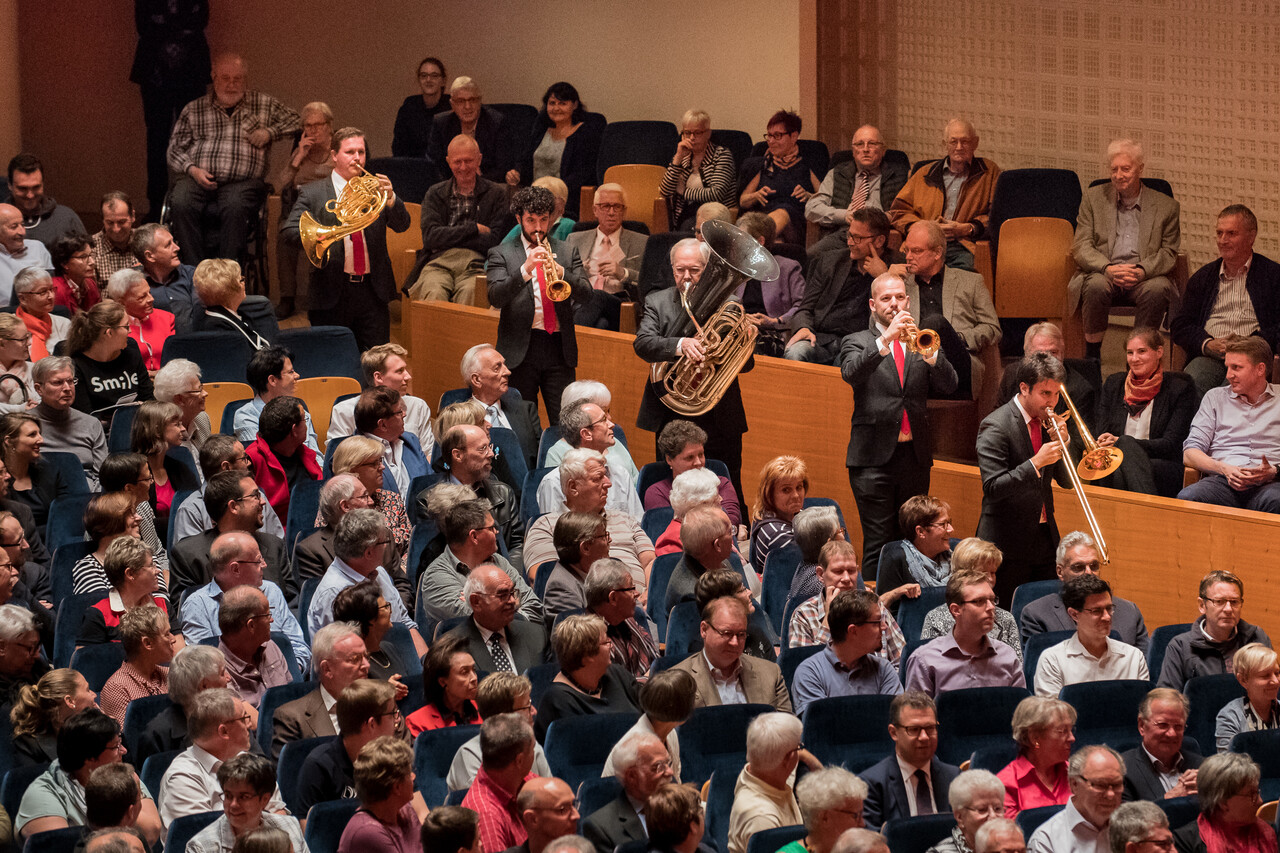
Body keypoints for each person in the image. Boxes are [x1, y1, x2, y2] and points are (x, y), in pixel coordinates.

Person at [636, 237, 751, 503]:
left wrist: (741, 343)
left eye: (694, 270)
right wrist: (681, 344)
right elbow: (643, 344)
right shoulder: (657, 301)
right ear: (672, 269)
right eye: (680, 270)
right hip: (671, 412)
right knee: (674, 486)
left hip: (720, 413)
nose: (686, 276)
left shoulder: (729, 305)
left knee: (728, 483)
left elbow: (747, 365)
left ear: (707, 269)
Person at [281, 127, 410, 351]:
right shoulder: (313, 192)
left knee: (377, 361)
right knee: (333, 358)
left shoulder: (376, 191)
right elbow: (288, 232)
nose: (357, 158)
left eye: (361, 152)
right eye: (350, 152)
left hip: (373, 292)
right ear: (334, 156)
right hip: (331, 291)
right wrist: (322, 235)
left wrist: (392, 199)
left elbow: (402, 225)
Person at [166, 53, 301, 265]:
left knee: (234, 206)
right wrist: (192, 169)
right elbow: (174, 149)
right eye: (225, 78)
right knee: (180, 201)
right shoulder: (194, 109)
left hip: (243, 182)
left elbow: (298, 121)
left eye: (237, 79)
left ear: (245, 80)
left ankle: (226, 272)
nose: (231, 85)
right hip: (197, 177)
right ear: (214, 77)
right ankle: (195, 270)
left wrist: (269, 132)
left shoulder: (263, 104)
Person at [1069, 139, 1182, 362]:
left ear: (1140, 169)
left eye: (1126, 169)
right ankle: (1093, 356)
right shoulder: (1093, 198)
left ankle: (1139, 356)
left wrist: (1141, 270)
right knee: (1095, 286)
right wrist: (1107, 268)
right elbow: (1081, 245)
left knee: (1158, 288)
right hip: (1104, 273)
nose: (1119, 175)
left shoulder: (1166, 206)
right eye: (1114, 169)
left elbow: (1169, 252)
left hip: (1144, 276)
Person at [487, 185, 590, 425]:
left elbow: (587, 295)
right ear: (519, 219)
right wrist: (525, 269)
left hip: (559, 349)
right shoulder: (501, 253)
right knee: (523, 423)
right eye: (531, 220)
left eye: (544, 220)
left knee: (565, 421)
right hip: (520, 350)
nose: (538, 228)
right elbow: (495, 297)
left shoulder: (567, 250)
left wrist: (563, 273)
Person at [976, 352, 1072, 605]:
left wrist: (1064, 444)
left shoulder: (1048, 423)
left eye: (1056, 394)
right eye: (1045, 393)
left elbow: (1067, 482)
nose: (1052, 402)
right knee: (1008, 612)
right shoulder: (995, 425)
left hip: (1044, 537)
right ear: (1024, 388)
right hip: (1006, 541)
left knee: (1047, 609)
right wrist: (1035, 463)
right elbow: (993, 487)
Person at [1170, 204, 1280, 397]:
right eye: (1219, 233)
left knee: (1231, 394)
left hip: (1251, 357)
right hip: (1211, 354)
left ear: (1251, 237)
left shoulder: (1273, 276)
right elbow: (1180, 325)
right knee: (1191, 388)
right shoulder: (1203, 277)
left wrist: (1253, 342)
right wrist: (1206, 343)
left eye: (1231, 234)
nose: (1223, 240)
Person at [14, 708, 162, 843]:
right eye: (116, 746)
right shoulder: (42, 795)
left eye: (121, 742)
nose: (124, 751)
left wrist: (123, 793)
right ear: (90, 757)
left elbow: (151, 833)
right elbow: (60, 846)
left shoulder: (121, 775)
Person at [523, 450, 655, 600]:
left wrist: (648, 596)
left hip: (643, 602)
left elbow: (651, 562)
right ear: (573, 487)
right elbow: (543, 578)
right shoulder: (546, 526)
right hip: (589, 606)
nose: (608, 483)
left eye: (606, 476)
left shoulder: (625, 519)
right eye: (598, 478)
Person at [406, 135, 512, 305]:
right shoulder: (435, 193)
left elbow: (494, 241)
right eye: (457, 162)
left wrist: (448, 236)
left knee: (470, 292)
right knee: (434, 291)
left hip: (477, 264)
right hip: (438, 263)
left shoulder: (496, 194)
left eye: (468, 161)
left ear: (479, 160)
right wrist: (473, 229)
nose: (463, 167)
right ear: (448, 162)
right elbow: (431, 238)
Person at [1178, 336, 1280, 511]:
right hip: (1222, 482)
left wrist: (1274, 471)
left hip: (1271, 484)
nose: (1228, 375)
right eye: (1228, 367)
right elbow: (1190, 453)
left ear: (1260, 369)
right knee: (1189, 497)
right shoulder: (1215, 398)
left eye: (1236, 368)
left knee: (1276, 501)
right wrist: (1223, 468)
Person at [902, 220, 1001, 399]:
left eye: (916, 251)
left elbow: (992, 328)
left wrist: (960, 338)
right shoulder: (900, 285)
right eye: (906, 250)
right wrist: (886, 278)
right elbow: (878, 324)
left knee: (935, 322)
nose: (908, 257)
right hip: (917, 367)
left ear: (937, 253)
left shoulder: (971, 282)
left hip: (957, 365)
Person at [1093, 328, 1198, 497]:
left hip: (1163, 463)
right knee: (1115, 468)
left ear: (1159, 352)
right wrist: (1109, 442)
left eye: (1141, 351)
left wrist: (1126, 444)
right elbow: (1102, 431)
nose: (1134, 359)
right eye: (1130, 353)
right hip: (1115, 460)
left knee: (1123, 450)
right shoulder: (1114, 384)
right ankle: (1146, 511)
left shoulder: (1179, 388)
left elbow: (1171, 444)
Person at [307, 508, 426, 655]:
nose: (386, 546)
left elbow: (405, 624)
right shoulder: (332, 593)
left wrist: (424, 663)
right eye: (384, 542)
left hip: (396, 658)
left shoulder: (379, 572)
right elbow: (342, 656)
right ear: (368, 552)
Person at [159, 688, 285, 826]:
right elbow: (204, 835)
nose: (250, 725)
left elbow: (280, 814)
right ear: (224, 731)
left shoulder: (250, 761)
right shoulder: (183, 778)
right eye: (244, 719)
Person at [888, 118, 1000, 272]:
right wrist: (924, 229)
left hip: (963, 245)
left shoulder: (989, 172)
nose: (959, 147)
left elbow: (997, 216)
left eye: (965, 141)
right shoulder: (924, 174)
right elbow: (898, 211)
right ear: (944, 144)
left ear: (975, 143)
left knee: (961, 277)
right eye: (953, 142)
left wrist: (968, 228)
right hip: (923, 245)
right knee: (895, 271)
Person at [787, 208, 895, 365]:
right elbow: (805, 308)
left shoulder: (895, 269)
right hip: (820, 338)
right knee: (795, 352)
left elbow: (896, 318)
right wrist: (803, 328)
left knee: (848, 365)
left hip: (859, 345)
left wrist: (882, 277)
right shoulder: (830, 262)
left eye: (857, 238)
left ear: (879, 241)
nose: (850, 242)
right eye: (849, 235)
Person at [169, 471, 293, 604]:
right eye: (256, 496)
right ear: (233, 506)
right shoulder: (188, 556)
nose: (263, 502)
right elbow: (187, 610)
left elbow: (293, 602)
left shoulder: (274, 546)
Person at [1018, 532, 1150, 653]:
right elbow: (1039, 667)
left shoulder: (1129, 612)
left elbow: (1146, 666)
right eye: (1079, 567)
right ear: (1060, 572)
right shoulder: (1037, 615)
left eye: (1094, 566)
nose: (1088, 573)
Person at [418, 494, 540, 625]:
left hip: (515, 637)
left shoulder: (498, 561)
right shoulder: (437, 577)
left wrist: (486, 604)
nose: (497, 532)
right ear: (474, 536)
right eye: (491, 528)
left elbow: (535, 607)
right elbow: (479, 621)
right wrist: (515, 604)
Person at [905, 571, 1024, 697]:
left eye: (992, 600)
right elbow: (917, 710)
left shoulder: (1007, 656)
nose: (991, 607)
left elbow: (1021, 708)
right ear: (956, 610)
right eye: (979, 601)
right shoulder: (924, 660)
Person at [788, 540, 908, 664]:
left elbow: (901, 662)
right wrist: (829, 618)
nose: (846, 578)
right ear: (820, 574)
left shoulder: (875, 607)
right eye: (838, 571)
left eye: (851, 571)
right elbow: (808, 670)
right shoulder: (803, 615)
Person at [296, 679, 400, 817]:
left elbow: (419, 811)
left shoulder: (394, 758)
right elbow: (310, 827)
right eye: (393, 714)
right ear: (372, 724)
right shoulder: (319, 767)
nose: (397, 720)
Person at [1033, 574, 1149, 697]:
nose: (1107, 617)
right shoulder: (1053, 660)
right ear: (1074, 614)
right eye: (1096, 611)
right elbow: (1051, 708)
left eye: (1109, 608)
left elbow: (1144, 706)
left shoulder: (1133, 657)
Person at [671, 595, 792, 712]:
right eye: (727, 633)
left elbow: (787, 724)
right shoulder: (676, 683)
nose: (735, 642)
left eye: (741, 634)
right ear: (704, 630)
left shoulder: (771, 674)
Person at [792, 589, 903, 716]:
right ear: (853, 631)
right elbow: (820, 724)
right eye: (877, 622)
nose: (884, 627)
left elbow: (895, 721)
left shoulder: (884, 669)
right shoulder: (810, 673)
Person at [1157, 570, 1271, 690]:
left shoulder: (1256, 638)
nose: (1228, 609)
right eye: (1219, 602)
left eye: (1234, 602)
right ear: (1202, 605)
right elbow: (1167, 697)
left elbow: (1272, 686)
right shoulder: (1180, 647)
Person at [861, 692, 961, 827]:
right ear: (894, 733)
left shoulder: (954, 777)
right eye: (914, 729)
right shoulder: (872, 785)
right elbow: (873, 838)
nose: (924, 737)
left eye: (930, 728)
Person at [270, 621, 369, 758]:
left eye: (366, 657)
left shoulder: (379, 705)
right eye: (355, 659)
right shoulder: (292, 719)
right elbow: (291, 771)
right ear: (327, 669)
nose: (366, 665)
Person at [274, 102, 335, 320]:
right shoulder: (300, 152)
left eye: (318, 125)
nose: (313, 130)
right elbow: (279, 186)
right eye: (308, 126)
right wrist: (298, 157)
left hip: (331, 209)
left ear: (329, 126)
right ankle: (287, 298)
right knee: (285, 233)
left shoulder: (338, 151)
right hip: (302, 209)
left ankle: (324, 297)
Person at [806, 125, 909, 255]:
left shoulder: (900, 175)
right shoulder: (837, 173)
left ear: (883, 150)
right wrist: (844, 215)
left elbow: (908, 210)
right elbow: (812, 208)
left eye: (872, 144)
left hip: (879, 237)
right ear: (853, 151)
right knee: (811, 256)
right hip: (844, 234)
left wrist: (885, 218)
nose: (865, 149)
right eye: (860, 144)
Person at [536, 613, 640, 740]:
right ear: (588, 655)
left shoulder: (617, 673)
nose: (611, 646)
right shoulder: (558, 701)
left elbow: (650, 711)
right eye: (606, 642)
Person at [445, 672, 552, 794]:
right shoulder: (470, 756)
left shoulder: (531, 744)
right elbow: (484, 802)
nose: (534, 712)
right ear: (504, 717)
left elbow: (550, 794)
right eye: (527, 707)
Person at [331, 437, 412, 592]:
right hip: (354, 590)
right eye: (374, 463)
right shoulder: (336, 507)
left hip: (397, 583)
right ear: (352, 470)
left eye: (380, 461)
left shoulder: (392, 500)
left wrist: (398, 582)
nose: (382, 467)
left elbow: (409, 546)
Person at [511, 82, 603, 219]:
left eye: (562, 103)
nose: (556, 108)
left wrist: (552, 192)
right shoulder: (541, 129)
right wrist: (516, 172)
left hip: (566, 200)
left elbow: (583, 173)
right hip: (534, 197)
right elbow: (525, 159)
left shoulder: (585, 133)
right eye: (552, 103)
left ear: (575, 105)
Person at [443, 557, 547, 677]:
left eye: (512, 593)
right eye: (502, 595)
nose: (513, 601)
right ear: (476, 602)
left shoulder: (537, 635)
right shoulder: (452, 649)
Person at [171, 435, 286, 543]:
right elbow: (190, 555)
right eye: (244, 458)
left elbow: (277, 544)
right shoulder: (191, 510)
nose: (249, 463)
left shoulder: (257, 498)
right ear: (226, 467)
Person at [538, 402, 642, 519]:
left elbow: (637, 522)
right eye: (603, 420)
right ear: (586, 434)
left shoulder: (621, 474)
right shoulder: (554, 482)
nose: (612, 424)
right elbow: (553, 527)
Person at [185, 753, 306, 853]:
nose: (233, 805)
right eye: (228, 796)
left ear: (265, 799)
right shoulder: (202, 847)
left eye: (243, 797)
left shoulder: (289, 826)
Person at [134, 644, 232, 767]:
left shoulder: (232, 713)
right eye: (222, 673)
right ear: (204, 686)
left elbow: (252, 759)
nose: (228, 678)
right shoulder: (156, 737)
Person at [566, 185, 648, 330]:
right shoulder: (575, 239)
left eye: (617, 207)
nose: (611, 213)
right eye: (605, 206)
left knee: (597, 295)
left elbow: (648, 282)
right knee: (601, 324)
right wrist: (578, 272)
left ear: (624, 211)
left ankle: (570, 340)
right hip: (581, 304)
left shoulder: (641, 242)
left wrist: (623, 273)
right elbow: (562, 276)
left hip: (620, 304)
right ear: (595, 210)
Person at [70, 489, 171, 604]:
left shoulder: (148, 557)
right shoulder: (88, 568)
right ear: (112, 524)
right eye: (131, 514)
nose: (139, 518)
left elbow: (162, 603)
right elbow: (101, 610)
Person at [328, 344, 433, 452]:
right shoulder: (344, 411)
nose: (408, 377)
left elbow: (428, 452)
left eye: (406, 369)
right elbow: (337, 457)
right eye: (400, 371)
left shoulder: (418, 406)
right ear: (378, 377)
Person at [727, 712, 808, 853]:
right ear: (787, 760)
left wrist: (815, 765)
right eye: (799, 747)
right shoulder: (762, 820)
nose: (800, 750)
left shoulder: (759, 769)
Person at [738, 110, 821, 245]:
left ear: (794, 136)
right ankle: (761, 242)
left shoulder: (807, 165)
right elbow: (743, 201)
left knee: (783, 211)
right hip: (763, 219)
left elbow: (825, 199)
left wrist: (809, 196)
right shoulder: (761, 165)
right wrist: (756, 196)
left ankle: (751, 244)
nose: (771, 141)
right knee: (777, 243)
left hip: (795, 224)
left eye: (777, 136)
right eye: (769, 136)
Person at [460, 713, 539, 853]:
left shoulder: (526, 779)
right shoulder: (487, 815)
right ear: (519, 760)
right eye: (532, 749)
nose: (534, 753)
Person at [1024, 745, 1126, 853]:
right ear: (1074, 784)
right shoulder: (1046, 841)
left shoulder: (1130, 829)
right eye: (1100, 785)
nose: (1110, 794)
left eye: (1117, 784)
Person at [459, 342, 542, 468]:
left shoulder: (526, 410)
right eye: (497, 368)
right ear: (476, 380)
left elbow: (541, 459)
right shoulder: (460, 419)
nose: (507, 372)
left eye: (504, 365)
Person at [68, 301, 154, 424]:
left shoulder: (131, 349)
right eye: (126, 326)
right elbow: (86, 417)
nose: (130, 331)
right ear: (109, 333)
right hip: (98, 431)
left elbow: (149, 399)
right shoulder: (76, 364)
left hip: (139, 425)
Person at [644, 419, 740, 528]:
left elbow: (730, 521)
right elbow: (670, 529)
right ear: (669, 459)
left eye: (701, 454)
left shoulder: (721, 484)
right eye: (689, 457)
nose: (698, 462)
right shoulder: (657, 492)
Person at [1172, 752, 1275, 853]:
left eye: (1257, 792)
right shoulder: (1185, 842)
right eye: (1252, 795)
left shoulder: (1270, 832)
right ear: (1223, 802)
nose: (1260, 801)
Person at [338, 736, 424, 853]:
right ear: (397, 787)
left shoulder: (406, 810)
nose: (413, 777)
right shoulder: (367, 831)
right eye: (409, 774)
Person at [29, 356, 105, 487]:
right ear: (39, 389)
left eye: (70, 381)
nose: (67, 388)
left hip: (88, 490)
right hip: (43, 489)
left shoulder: (91, 423)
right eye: (57, 382)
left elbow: (102, 476)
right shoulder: (24, 424)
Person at [77, 536, 166, 646]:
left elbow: (178, 653)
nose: (158, 571)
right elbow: (85, 657)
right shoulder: (98, 616)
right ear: (130, 574)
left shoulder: (163, 604)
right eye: (151, 565)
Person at [244, 395, 321, 523]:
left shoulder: (305, 453)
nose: (307, 425)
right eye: (304, 420)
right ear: (294, 430)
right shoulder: (251, 460)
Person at [216, 584, 295, 706]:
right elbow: (243, 716)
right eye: (267, 615)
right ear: (251, 625)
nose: (271, 620)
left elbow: (292, 696)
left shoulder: (270, 646)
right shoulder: (218, 671)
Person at [997, 697, 1077, 817]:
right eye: (1062, 731)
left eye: (1071, 730)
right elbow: (1009, 828)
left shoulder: (1078, 776)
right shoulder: (1005, 785)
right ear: (1034, 737)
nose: (1072, 738)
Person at [426, 76, 514, 185]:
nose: (468, 106)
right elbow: (434, 165)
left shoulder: (497, 122)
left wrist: (476, 181)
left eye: (472, 100)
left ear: (480, 101)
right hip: (450, 186)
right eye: (461, 101)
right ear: (452, 104)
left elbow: (503, 168)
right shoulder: (441, 123)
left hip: (487, 185)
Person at [659, 109, 738, 230]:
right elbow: (665, 191)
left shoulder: (721, 155)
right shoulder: (682, 157)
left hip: (714, 218)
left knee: (688, 229)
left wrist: (684, 192)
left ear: (708, 134)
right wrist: (678, 159)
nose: (692, 138)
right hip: (685, 217)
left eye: (697, 133)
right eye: (687, 133)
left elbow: (716, 194)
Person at [98, 604, 175, 726]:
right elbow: (125, 737)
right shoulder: (117, 689)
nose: (173, 639)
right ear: (148, 643)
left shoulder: (170, 674)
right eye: (167, 634)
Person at [232, 346, 319, 454]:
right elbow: (260, 457)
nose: (297, 375)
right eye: (291, 372)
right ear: (272, 380)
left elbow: (315, 455)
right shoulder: (246, 417)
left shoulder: (300, 412)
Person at [1121, 688, 1202, 802]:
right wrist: (1170, 798)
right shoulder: (1122, 770)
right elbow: (1126, 813)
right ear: (1142, 726)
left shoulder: (1202, 767)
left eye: (1178, 726)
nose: (1172, 734)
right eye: (1163, 725)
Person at [583, 558, 659, 680]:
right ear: (613, 598)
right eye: (631, 588)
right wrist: (649, 679)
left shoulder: (628, 618)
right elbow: (614, 687)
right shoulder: (593, 641)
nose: (637, 594)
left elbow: (655, 658)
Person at [876, 496, 954, 610]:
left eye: (949, 522)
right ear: (921, 531)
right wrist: (895, 593)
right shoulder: (896, 557)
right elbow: (882, 610)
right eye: (943, 524)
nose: (951, 529)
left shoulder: (954, 555)